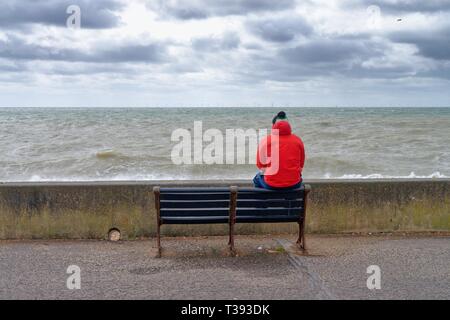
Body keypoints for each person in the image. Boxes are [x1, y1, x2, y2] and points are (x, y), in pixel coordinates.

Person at [253, 111, 305, 190]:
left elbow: (260, 165)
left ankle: (264, 201)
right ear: (289, 127)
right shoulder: (298, 140)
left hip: (271, 184)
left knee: (257, 179)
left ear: (274, 128)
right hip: (294, 184)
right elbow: (301, 165)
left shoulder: (266, 140)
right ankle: (290, 201)